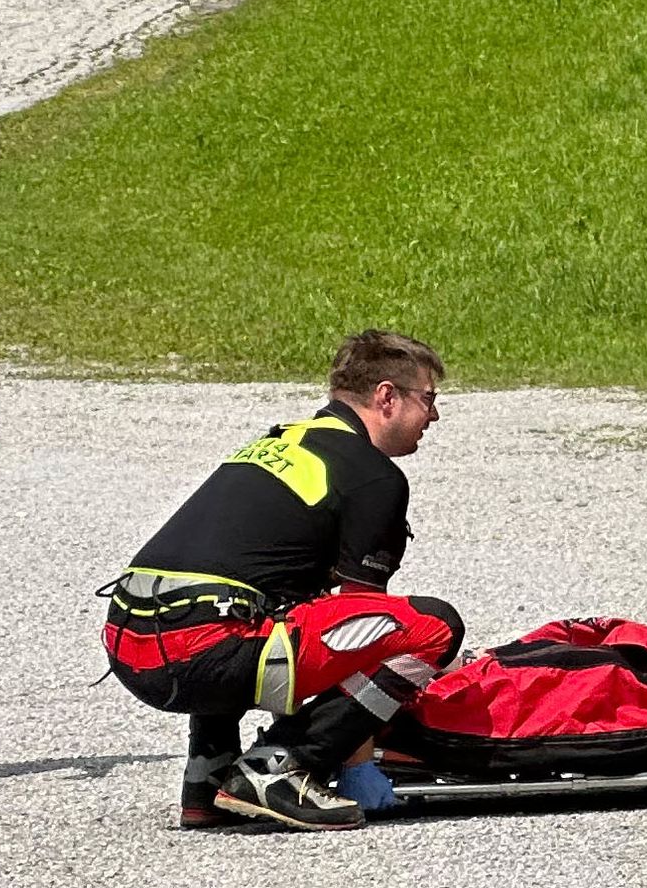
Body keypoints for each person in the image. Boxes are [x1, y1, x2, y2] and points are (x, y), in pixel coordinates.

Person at [103, 331, 464, 829]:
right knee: (432, 626)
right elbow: (363, 626)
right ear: (386, 397)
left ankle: (207, 779)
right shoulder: (374, 477)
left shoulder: (280, 440)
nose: (434, 417)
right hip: (200, 649)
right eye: (429, 399)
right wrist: (354, 762)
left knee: (266, 606)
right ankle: (280, 768)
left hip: (130, 645)